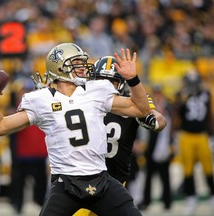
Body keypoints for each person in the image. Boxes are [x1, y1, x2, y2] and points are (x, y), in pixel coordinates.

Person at [0, 42, 154, 216]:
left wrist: (133, 80)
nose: (82, 67)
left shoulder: (97, 90)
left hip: (102, 179)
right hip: (65, 184)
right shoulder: (41, 100)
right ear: (59, 68)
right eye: (76, 62)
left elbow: (141, 109)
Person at [73, 56, 167, 216]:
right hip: (84, 177)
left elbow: (160, 120)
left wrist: (149, 119)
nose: (104, 85)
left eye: (111, 81)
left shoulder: (132, 101)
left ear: (122, 83)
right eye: (101, 79)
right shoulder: (82, 97)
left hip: (114, 179)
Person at [173, 69, 214, 215]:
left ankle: (212, 196)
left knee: (208, 168)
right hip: (186, 136)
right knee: (188, 169)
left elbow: (209, 115)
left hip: (202, 136)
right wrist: (175, 136)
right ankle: (191, 198)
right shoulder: (180, 95)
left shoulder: (206, 94)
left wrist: (211, 135)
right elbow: (176, 117)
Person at [9, 78, 49, 214]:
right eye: (22, 91)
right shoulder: (15, 110)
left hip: (39, 155)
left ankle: (40, 207)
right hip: (22, 156)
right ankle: (17, 207)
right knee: (19, 187)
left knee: (40, 188)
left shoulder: (42, 107)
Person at [137, 84, 173, 211]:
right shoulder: (150, 106)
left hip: (164, 144)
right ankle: (147, 201)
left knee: (165, 176)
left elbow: (172, 125)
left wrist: (171, 144)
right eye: (156, 93)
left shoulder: (168, 106)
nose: (157, 96)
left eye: (159, 93)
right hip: (151, 145)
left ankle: (167, 201)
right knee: (149, 176)